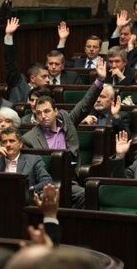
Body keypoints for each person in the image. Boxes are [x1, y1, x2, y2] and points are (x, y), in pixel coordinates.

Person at [21, 56, 106, 208]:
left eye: (47, 111)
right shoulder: (29, 138)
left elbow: (84, 105)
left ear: (55, 111)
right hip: (47, 183)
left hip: (69, 180)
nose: (43, 116)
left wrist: (99, 80)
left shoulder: (66, 120)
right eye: (39, 113)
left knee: (89, 195)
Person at [0, 127, 53, 193]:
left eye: (12, 141)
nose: (8, 144)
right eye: (4, 142)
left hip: (24, 200)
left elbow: (47, 182)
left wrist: (29, 190)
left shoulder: (34, 160)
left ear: (20, 144)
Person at [4, 17, 50, 103]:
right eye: (44, 76)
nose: (48, 80)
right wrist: (9, 36)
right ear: (32, 78)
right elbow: (10, 64)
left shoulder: (48, 93)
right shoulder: (19, 84)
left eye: (48, 76)